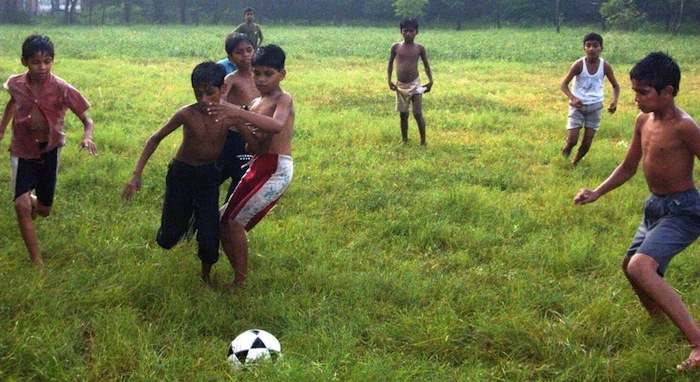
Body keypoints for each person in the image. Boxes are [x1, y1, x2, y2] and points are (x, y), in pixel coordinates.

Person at [573, 52, 700, 372]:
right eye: (634, 91)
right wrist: (597, 192)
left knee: (642, 267)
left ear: (668, 92)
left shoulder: (685, 126)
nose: (636, 98)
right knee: (630, 266)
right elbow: (628, 166)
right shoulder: (643, 121)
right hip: (655, 207)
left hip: (683, 210)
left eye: (643, 92)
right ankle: (660, 320)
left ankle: (697, 343)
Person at [122, 62, 256, 283]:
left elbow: (253, 143)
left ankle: (205, 276)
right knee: (168, 238)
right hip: (181, 175)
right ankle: (184, 221)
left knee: (209, 237)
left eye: (210, 93)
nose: (204, 100)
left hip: (208, 177)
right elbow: (155, 138)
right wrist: (137, 174)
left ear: (222, 89)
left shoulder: (232, 116)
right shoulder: (187, 114)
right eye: (198, 93)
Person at [0, 34, 97, 268]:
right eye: (36, 62)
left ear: (53, 60)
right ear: (24, 61)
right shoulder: (16, 83)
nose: (42, 67)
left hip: (49, 151)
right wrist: (2, 129)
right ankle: (38, 262)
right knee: (21, 206)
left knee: (44, 210)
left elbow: (88, 120)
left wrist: (87, 137)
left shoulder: (62, 88)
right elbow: (12, 101)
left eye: (47, 61)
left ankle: (35, 202)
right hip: (22, 150)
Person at [206, 44, 294, 287]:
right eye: (257, 73)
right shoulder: (255, 103)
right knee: (223, 219)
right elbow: (254, 149)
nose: (261, 79)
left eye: (269, 74)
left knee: (234, 223)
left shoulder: (283, 98)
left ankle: (240, 282)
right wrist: (242, 123)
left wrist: (239, 113)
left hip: (277, 169)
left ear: (282, 74)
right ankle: (237, 272)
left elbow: (276, 126)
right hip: (258, 165)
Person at [560, 32, 620, 166]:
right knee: (572, 140)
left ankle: (575, 163)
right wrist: (573, 98)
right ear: (584, 48)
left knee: (587, 142)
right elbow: (563, 85)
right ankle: (563, 159)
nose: (591, 49)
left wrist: (614, 102)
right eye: (588, 45)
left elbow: (616, 86)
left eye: (595, 45)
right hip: (577, 107)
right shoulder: (578, 65)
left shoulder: (605, 66)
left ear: (601, 48)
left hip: (595, 107)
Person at [218, 33, 260, 201]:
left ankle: (228, 220)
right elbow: (219, 103)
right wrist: (243, 111)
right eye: (239, 52)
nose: (246, 55)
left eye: (249, 50)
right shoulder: (231, 79)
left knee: (241, 182)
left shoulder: (261, 78)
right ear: (230, 57)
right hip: (231, 136)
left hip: (251, 138)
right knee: (214, 177)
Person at [387, 17, 433, 147]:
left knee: (418, 113)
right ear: (401, 31)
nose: (408, 33)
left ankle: (423, 142)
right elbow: (390, 64)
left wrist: (430, 81)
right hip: (400, 85)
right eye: (405, 30)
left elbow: (426, 65)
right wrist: (389, 80)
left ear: (416, 32)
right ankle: (405, 140)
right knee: (403, 115)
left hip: (416, 84)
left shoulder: (419, 48)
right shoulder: (396, 47)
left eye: (411, 30)